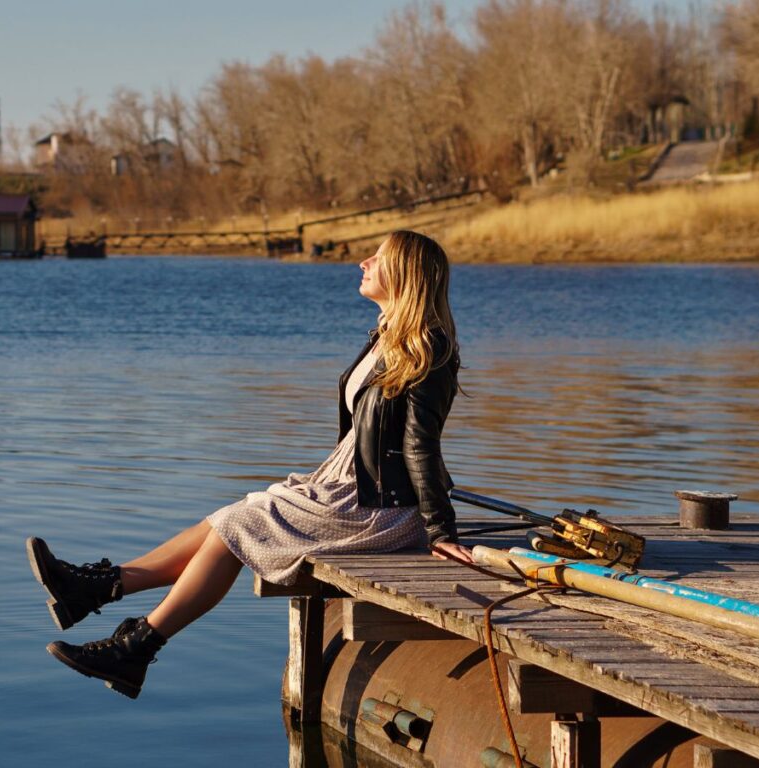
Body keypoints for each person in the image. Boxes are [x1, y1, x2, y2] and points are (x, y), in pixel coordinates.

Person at [25, 229, 471, 699]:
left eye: (376, 258)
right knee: (237, 513)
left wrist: (440, 532)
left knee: (238, 525)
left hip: (381, 509)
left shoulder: (429, 349)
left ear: (404, 273)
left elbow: (421, 447)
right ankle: (101, 589)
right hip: (346, 486)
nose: (362, 262)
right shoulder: (386, 338)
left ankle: (133, 640)